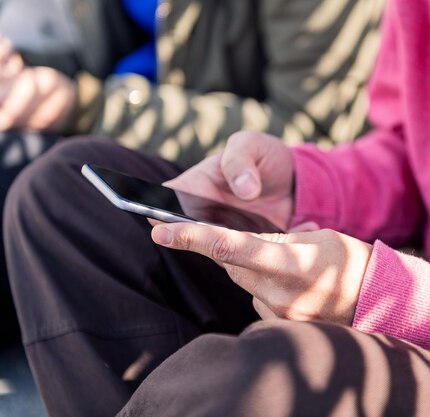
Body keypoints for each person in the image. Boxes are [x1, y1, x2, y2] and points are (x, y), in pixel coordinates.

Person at [5, 0, 430, 416]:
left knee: (254, 382)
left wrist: (398, 300)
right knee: (66, 205)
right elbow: (409, 151)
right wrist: (306, 185)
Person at [0, 0, 386, 345]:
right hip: (122, 128)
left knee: (53, 193)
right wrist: (23, 75)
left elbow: (311, 132)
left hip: (220, 177)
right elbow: (99, 53)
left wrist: (85, 105)